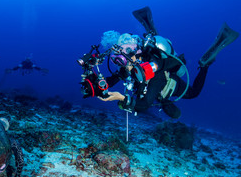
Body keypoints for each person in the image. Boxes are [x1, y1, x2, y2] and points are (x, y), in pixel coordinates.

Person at [97, 7, 239, 119]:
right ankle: (153, 34)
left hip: (168, 84)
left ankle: (204, 64)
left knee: (193, 93)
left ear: (135, 53)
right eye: (116, 59)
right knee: (164, 107)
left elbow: (145, 104)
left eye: (121, 58)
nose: (119, 63)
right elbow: (111, 80)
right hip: (157, 91)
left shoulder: (152, 70)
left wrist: (121, 97)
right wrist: (96, 84)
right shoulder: (128, 67)